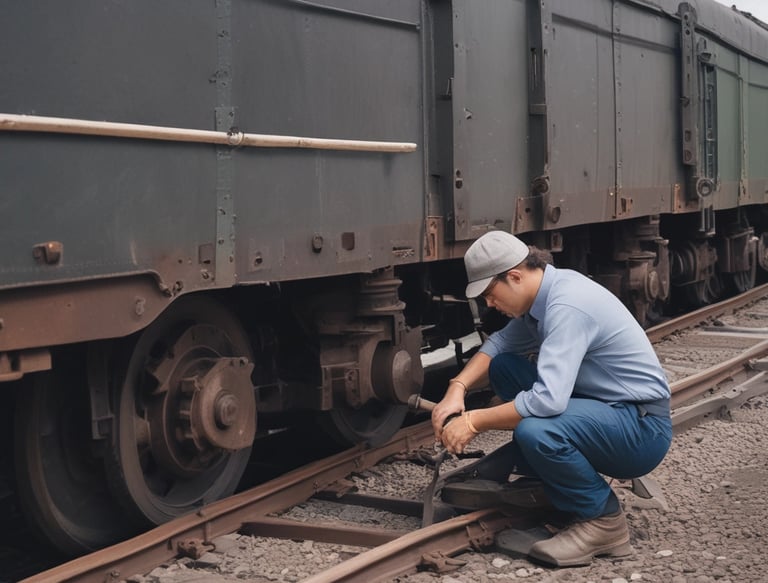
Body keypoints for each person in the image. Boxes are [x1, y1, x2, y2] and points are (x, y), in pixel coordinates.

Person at [431, 230, 672, 567]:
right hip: (606, 410)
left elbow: (547, 403)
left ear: (514, 277)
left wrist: (473, 421)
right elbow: (500, 345)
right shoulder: (544, 293)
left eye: (490, 293)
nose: (489, 304)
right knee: (505, 367)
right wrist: (457, 388)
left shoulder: (567, 305)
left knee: (538, 430)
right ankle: (551, 479)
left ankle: (603, 521)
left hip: (641, 429)